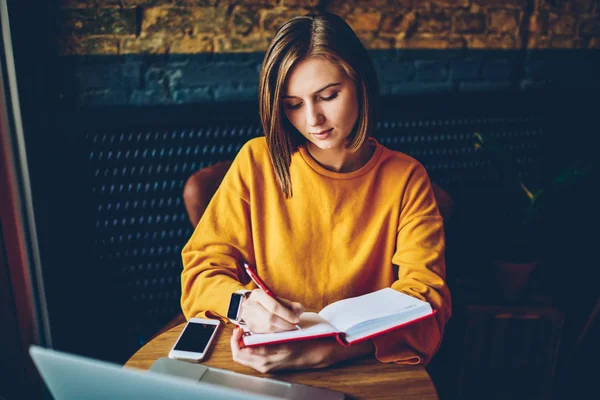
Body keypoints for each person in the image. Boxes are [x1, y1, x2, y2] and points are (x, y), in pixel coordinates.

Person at [180, 12, 451, 373]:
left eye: (328, 96)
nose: (312, 120)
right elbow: (200, 272)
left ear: (361, 84)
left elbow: (427, 299)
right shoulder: (255, 162)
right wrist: (243, 305)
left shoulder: (406, 178)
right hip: (264, 364)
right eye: (293, 104)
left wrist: (330, 352)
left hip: (365, 369)